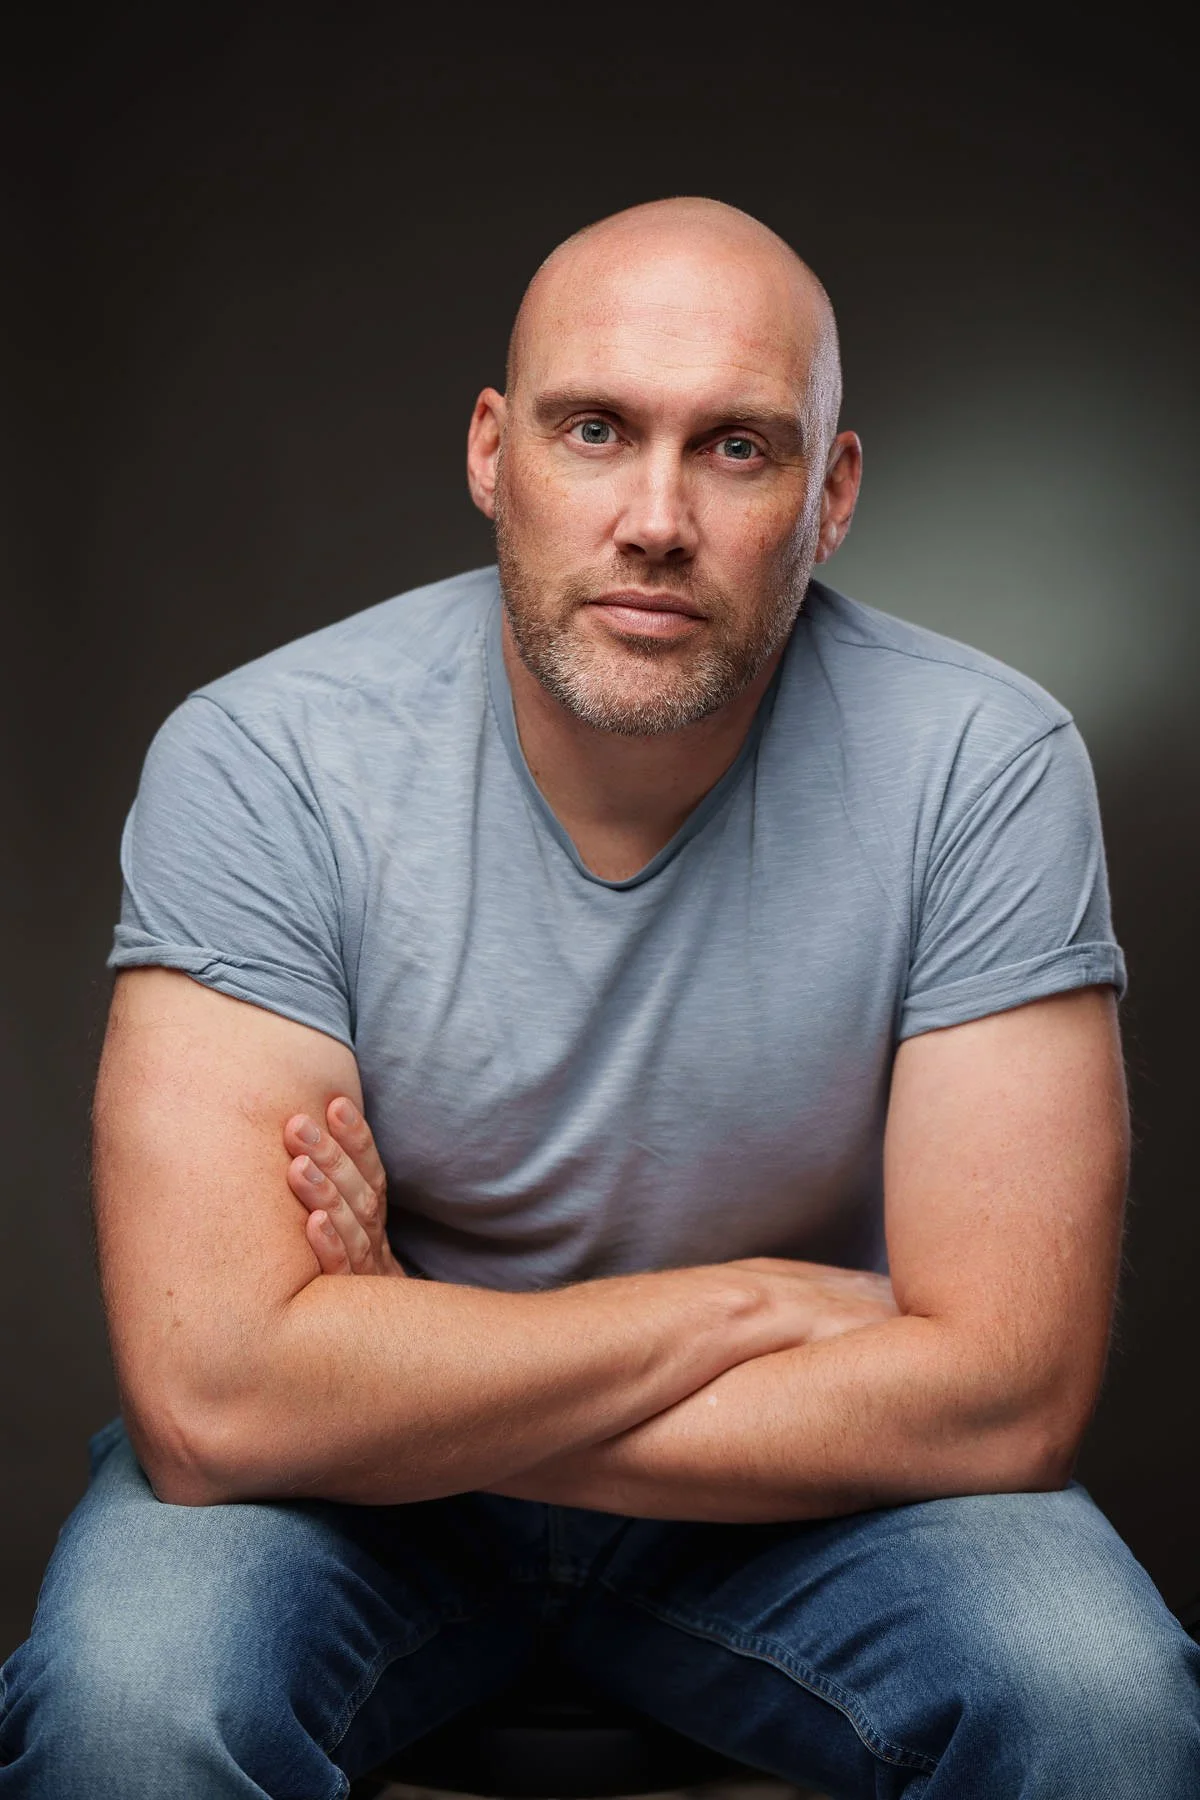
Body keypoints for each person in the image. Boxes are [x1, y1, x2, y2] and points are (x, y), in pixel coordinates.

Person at [1, 196, 1196, 1798]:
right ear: (493, 453)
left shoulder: (984, 768)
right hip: (370, 1519)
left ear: (834, 494)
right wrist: (744, 1304)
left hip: (803, 1510)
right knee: (132, 1705)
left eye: (738, 449)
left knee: (1100, 1703)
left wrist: (387, 1369)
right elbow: (218, 1400)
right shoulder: (264, 759)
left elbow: (1002, 1405)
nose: (655, 518)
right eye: (594, 430)